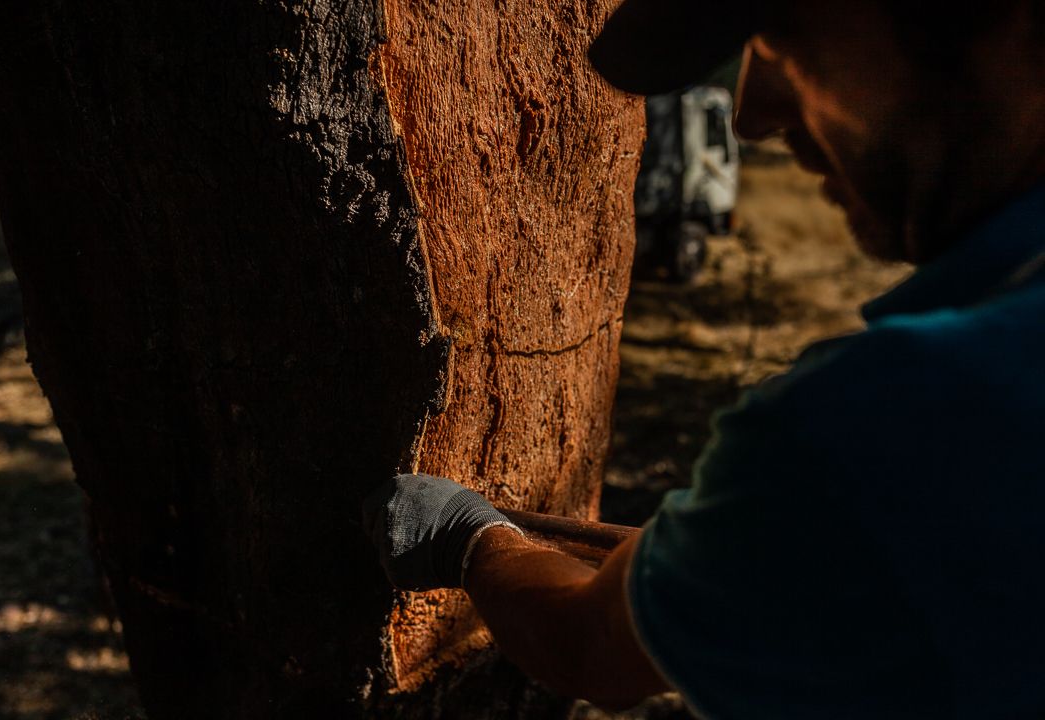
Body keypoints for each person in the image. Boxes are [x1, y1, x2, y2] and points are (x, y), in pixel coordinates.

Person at [363, 0, 1045, 715]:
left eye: (787, 40)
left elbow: (591, 643)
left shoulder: (887, 420)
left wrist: (468, 537)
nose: (752, 116)